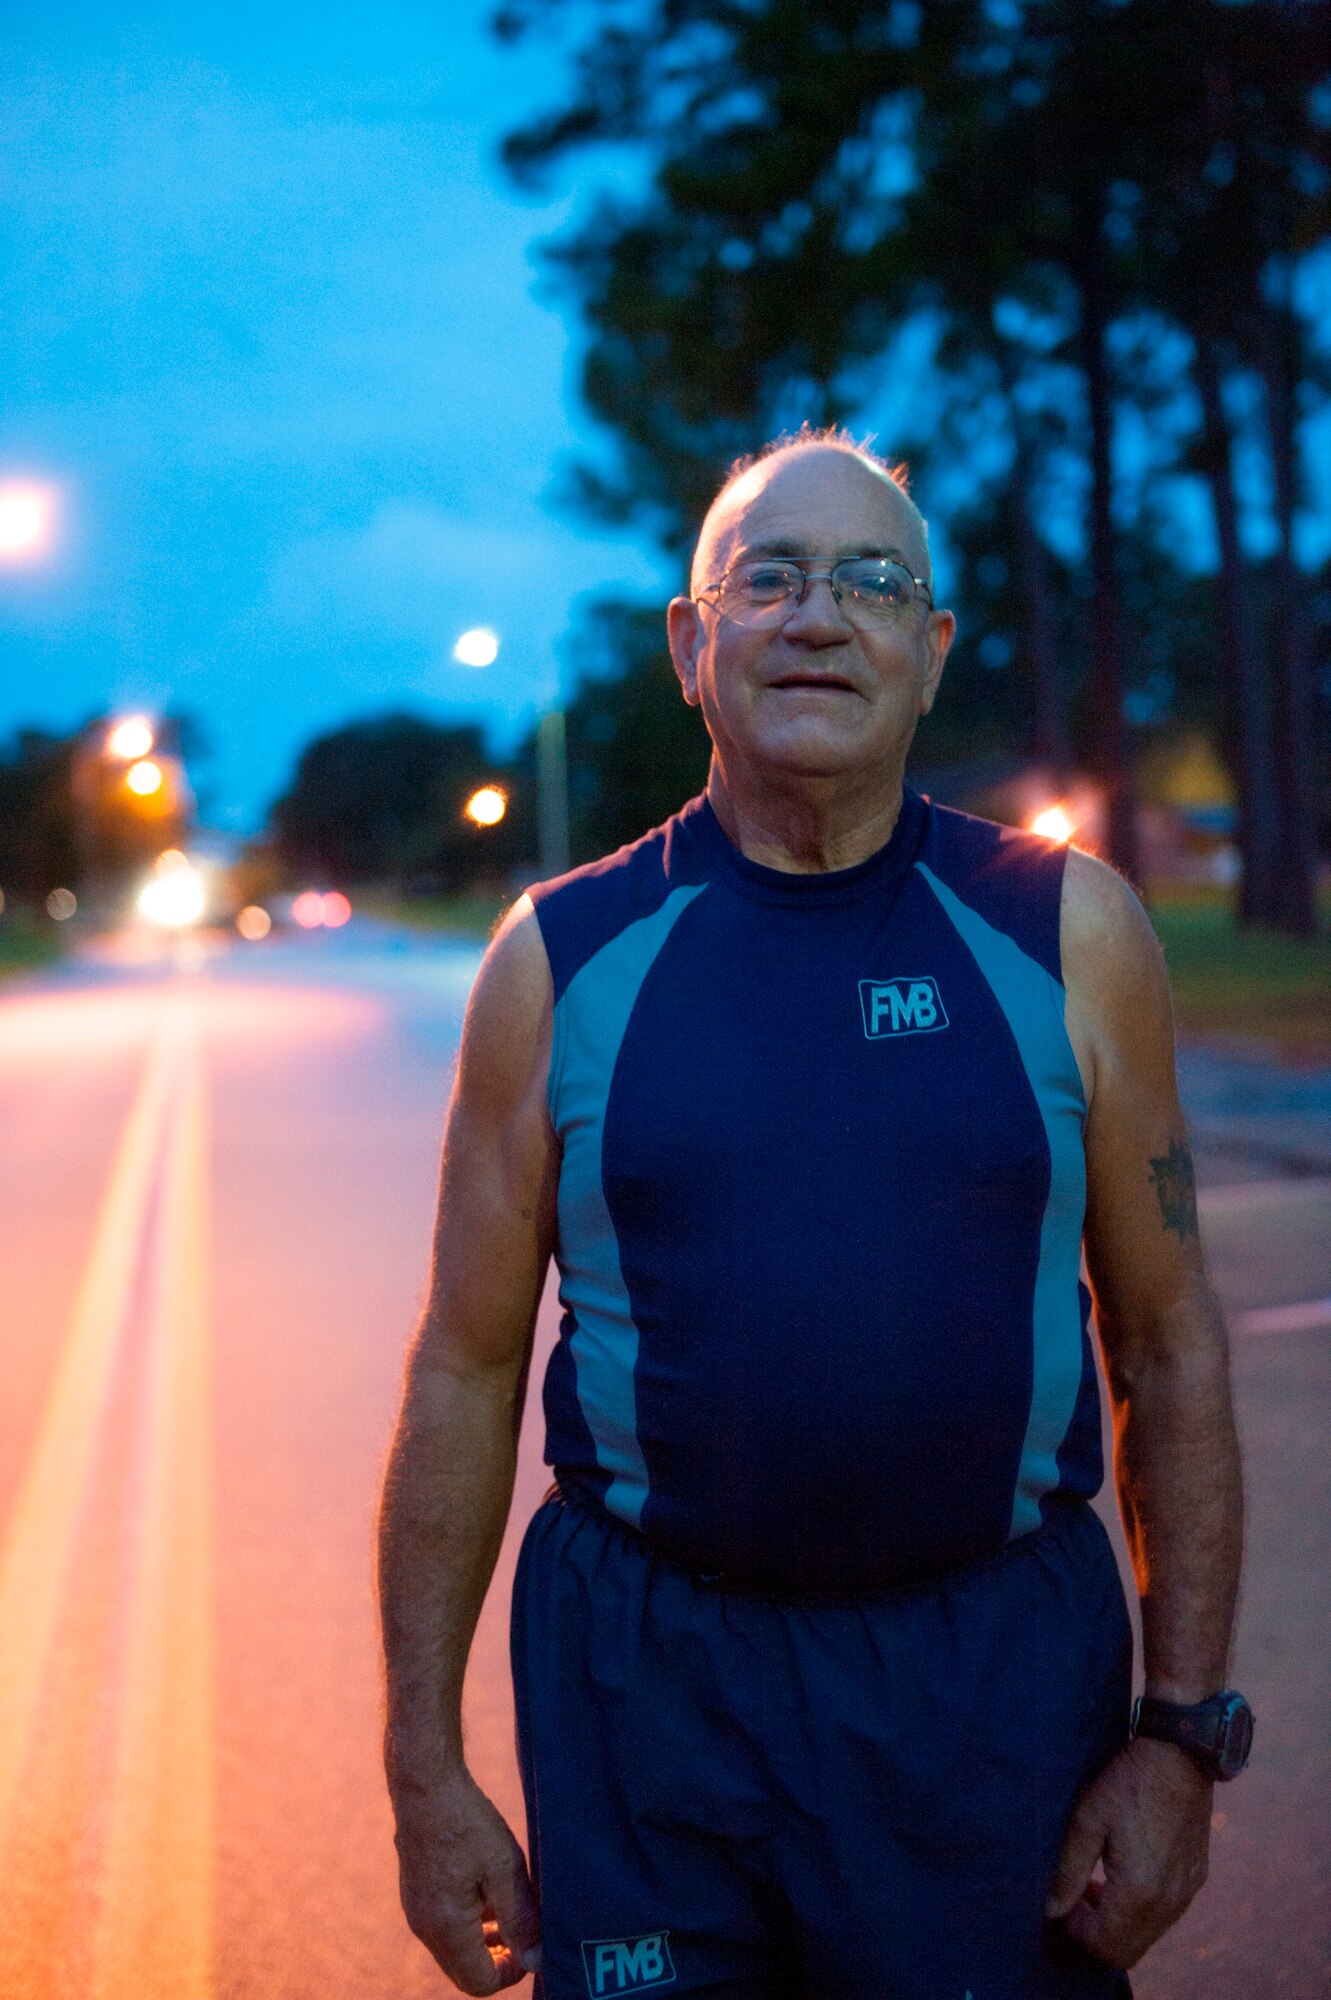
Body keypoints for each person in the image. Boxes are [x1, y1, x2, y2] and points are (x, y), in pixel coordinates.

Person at [377, 431, 1249, 2000]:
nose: (817, 615)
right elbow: (463, 1367)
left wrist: (1182, 1736)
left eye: (872, 581)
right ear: (690, 645)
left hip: (986, 1691)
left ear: (931, 651)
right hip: (648, 1690)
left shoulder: (1069, 931)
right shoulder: (561, 960)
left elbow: (1172, 1346)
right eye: (764, 577)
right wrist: (423, 1766)